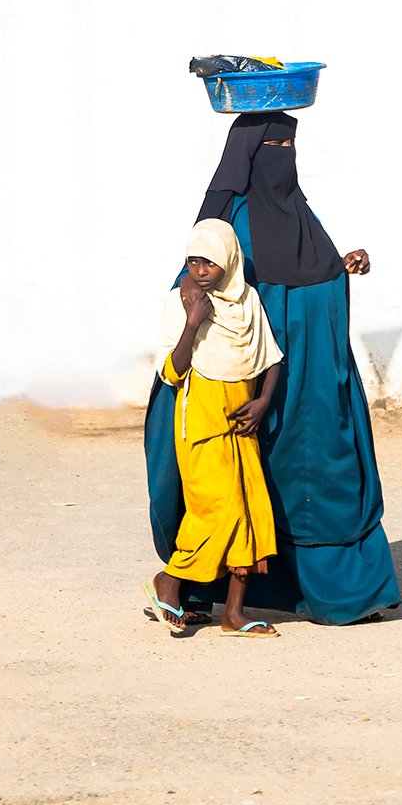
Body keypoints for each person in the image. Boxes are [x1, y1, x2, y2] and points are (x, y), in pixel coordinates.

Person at [145, 111, 402, 625]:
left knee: (311, 477)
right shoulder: (225, 228)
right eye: (272, 145)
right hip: (227, 389)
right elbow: (196, 287)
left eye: (290, 145)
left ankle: (338, 593)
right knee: (224, 490)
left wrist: (342, 266)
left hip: (296, 381)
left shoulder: (299, 217)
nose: (283, 156)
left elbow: (314, 277)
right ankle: (189, 588)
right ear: (247, 156)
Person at [143, 219, 285, 639]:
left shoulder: (248, 302)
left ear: (229, 261)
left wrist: (263, 402)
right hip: (201, 423)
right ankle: (169, 580)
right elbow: (172, 372)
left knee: (251, 513)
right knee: (217, 510)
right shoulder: (181, 301)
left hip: (242, 423)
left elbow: (271, 359)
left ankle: (234, 614)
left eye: (210, 261)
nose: (201, 270)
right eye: (193, 261)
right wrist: (193, 321)